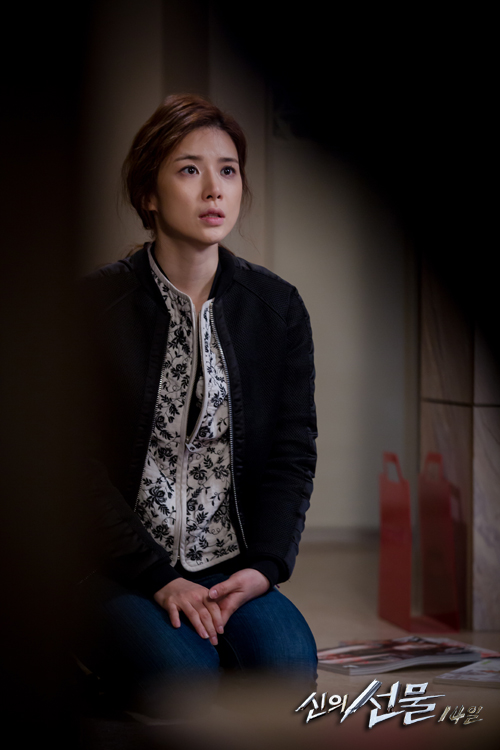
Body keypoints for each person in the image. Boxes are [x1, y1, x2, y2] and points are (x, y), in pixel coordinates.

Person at [78, 94, 318, 718]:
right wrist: (157, 577)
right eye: (190, 169)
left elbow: (293, 451)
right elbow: (71, 466)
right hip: (120, 567)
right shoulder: (92, 307)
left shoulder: (278, 309)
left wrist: (264, 568)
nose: (214, 188)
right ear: (149, 194)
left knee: (288, 669)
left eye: (228, 170)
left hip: (228, 565)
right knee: (184, 680)